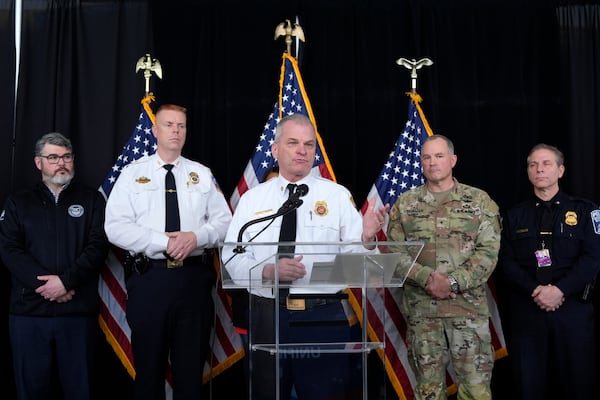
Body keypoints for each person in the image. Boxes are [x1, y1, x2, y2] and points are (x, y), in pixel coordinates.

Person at [221, 113, 388, 400]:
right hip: (267, 314)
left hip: (322, 316)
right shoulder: (253, 200)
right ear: (275, 150)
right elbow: (231, 258)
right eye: (294, 143)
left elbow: (355, 261)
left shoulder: (336, 196)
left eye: (309, 145)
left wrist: (368, 239)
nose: (302, 150)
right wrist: (266, 271)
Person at [104, 104, 232, 400]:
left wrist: (196, 236)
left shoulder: (201, 174)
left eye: (181, 126)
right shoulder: (132, 174)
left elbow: (225, 223)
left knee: (190, 376)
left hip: (193, 282)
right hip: (150, 281)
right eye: (169, 124)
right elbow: (115, 227)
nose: (176, 131)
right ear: (155, 131)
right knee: (149, 374)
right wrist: (165, 242)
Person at [386, 134, 501, 400]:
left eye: (438, 156)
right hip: (423, 315)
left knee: (476, 391)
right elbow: (394, 253)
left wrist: (451, 282)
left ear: (452, 160)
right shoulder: (406, 203)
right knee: (428, 393)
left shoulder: (479, 201)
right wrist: (427, 278)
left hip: (467, 313)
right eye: (426, 157)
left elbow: (488, 253)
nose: (432, 162)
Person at [0, 132, 108, 400]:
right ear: (39, 163)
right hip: (29, 316)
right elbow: (10, 250)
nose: (61, 163)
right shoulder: (18, 202)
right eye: (53, 157)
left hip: (77, 315)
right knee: (31, 392)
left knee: (80, 391)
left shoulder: (92, 200)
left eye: (67, 157)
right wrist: (44, 285)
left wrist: (65, 283)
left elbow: (97, 248)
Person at [495, 143, 600, 400]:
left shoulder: (586, 211)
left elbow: (592, 258)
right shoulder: (513, 216)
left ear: (560, 170)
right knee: (527, 386)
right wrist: (537, 290)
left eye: (546, 164)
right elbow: (505, 261)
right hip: (528, 310)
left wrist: (560, 289)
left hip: (573, 310)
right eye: (533, 165)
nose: (539, 169)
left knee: (578, 384)